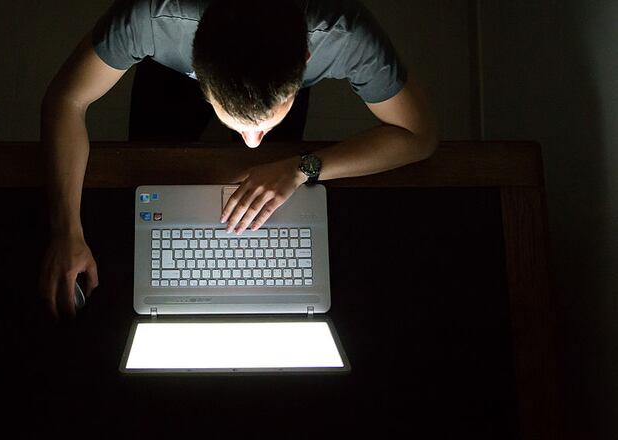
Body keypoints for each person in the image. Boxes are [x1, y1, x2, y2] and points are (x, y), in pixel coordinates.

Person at [39, 0, 438, 319]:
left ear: (307, 56)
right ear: (196, 64)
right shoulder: (152, 18)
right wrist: (66, 231)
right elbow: (67, 99)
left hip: (277, 56)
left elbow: (419, 137)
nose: (251, 143)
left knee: (271, 200)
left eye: (264, 125)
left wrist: (303, 167)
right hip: (167, 77)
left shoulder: (345, 32)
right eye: (238, 122)